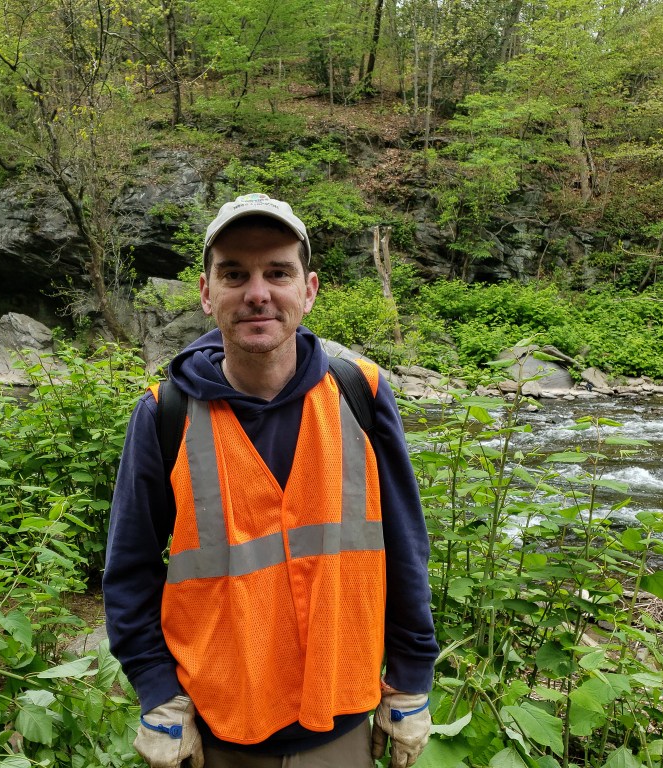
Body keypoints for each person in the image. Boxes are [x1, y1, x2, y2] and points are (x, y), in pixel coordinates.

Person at [103, 193, 438, 768]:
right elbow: (129, 572)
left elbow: (405, 547)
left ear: (308, 288)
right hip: (218, 728)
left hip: (342, 720)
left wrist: (411, 678)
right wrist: (158, 693)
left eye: (277, 272)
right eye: (234, 274)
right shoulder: (165, 414)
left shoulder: (362, 394)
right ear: (208, 295)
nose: (257, 292)